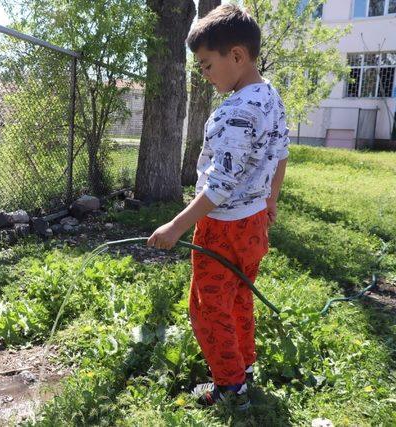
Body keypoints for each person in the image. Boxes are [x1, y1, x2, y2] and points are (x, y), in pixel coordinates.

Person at [146, 3, 289, 410]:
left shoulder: (237, 111)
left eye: (207, 65)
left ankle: (229, 389)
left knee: (208, 309)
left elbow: (220, 187)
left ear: (237, 56)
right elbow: (280, 154)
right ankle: (242, 368)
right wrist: (270, 202)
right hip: (254, 224)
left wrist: (176, 226)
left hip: (223, 227)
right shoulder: (269, 97)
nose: (205, 75)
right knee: (239, 297)